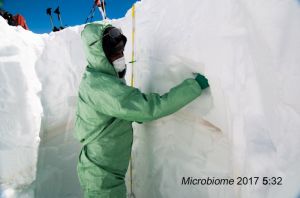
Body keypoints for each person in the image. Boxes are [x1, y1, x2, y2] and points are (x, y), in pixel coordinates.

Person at [74, 22, 209, 198]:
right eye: (115, 53)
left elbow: (122, 108)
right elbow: (147, 109)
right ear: (100, 55)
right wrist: (193, 87)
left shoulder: (99, 77)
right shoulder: (100, 86)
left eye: (121, 51)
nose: (121, 56)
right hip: (102, 178)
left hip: (103, 171)